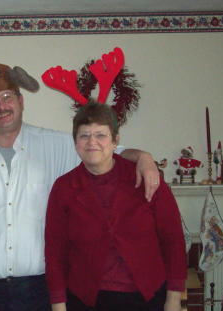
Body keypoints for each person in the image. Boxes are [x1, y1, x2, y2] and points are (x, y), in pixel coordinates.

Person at [0, 63, 161, 311]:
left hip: (40, 290)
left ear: (21, 101)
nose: (1, 106)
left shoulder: (54, 144)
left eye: (7, 97)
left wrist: (144, 157)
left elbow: (104, 151)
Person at [45, 102, 187, 311]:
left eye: (100, 135)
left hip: (147, 298)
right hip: (86, 300)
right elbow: (55, 252)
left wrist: (173, 300)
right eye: (84, 135)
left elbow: (173, 240)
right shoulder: (64, 188)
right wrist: (58, 305)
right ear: (75, 142)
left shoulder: (146, 179)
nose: (92, 142)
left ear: (115, 141)